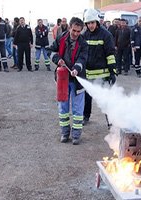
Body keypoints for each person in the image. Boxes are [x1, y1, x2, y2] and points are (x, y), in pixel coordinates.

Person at [48, 17, 88, 145]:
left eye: (78, 31)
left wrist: (76, 68)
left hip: (78, 80)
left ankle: (76, 135)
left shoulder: (83, 43)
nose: (76, 34)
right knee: (63, 107)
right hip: (63, 79)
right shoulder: (61, 38)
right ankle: (65, 133)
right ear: (70, 27)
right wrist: (57, 59)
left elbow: (83, 58)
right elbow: (50, 50)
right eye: (74, 30)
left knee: (77, 109)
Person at [82, 9, 117, 124]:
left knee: (106, 99)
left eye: (93, 22)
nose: (91, 25)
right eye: (88, 23)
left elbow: (111, 54)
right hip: (88, 74)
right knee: (87, 98)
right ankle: (86, 117)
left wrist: (113, 72)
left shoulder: (106, 35)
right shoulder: (84, 35)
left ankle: (110, 122)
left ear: (97, 22)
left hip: (103, 74)